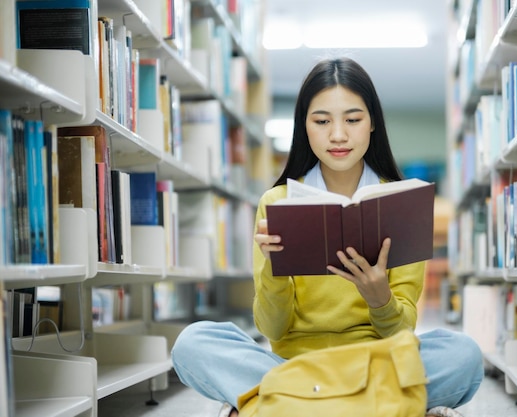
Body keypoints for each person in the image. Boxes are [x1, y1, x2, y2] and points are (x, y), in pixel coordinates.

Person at [171, 57, 484, 417]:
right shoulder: (277, 203)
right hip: (294, 362)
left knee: (462, 354)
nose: (338, 135)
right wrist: (274, 270)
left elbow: (402, 334)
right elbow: (272, 327)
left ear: (372, 126)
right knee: (193, 343)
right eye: (322, 121)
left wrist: (379, 297)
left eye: (352, 120)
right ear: (304, 127)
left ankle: (277, 403)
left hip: (372, 362)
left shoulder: (402, 202)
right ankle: (382, 405)